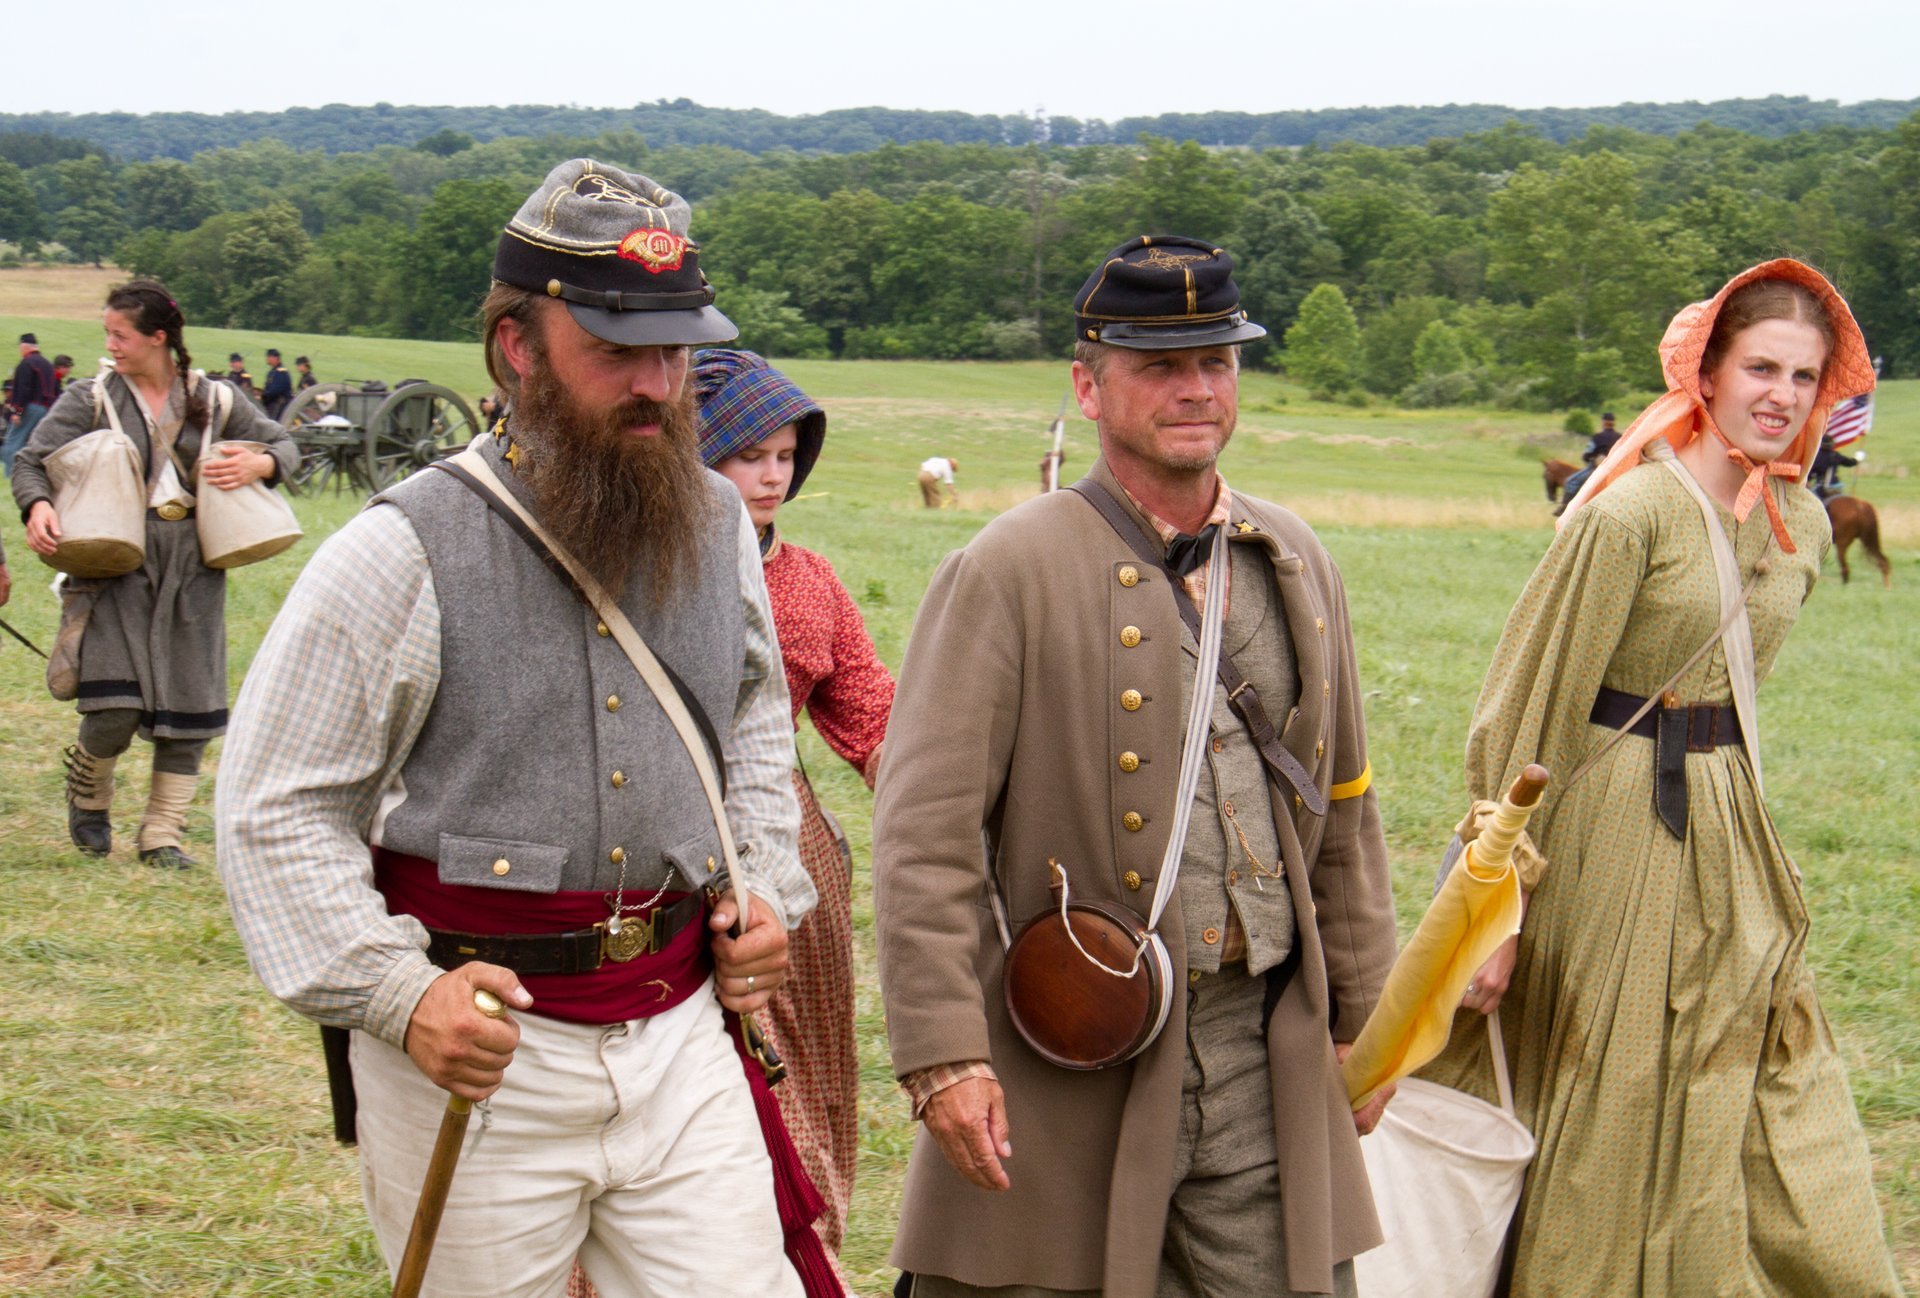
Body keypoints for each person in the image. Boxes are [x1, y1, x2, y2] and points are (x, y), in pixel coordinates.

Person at [215, 159, 814, 1298]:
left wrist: (765, 881)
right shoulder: (399, 548)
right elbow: (276, 805)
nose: (657, 383)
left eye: (677, 349)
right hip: (479, 1050)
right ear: (517, 349)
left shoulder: (722, 518)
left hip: (682, 1032)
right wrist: (401, 994)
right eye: (616, 349)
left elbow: (753, 720)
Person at [872, 235, 1398, 1298]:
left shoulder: (1293, 558)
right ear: (1089, 383)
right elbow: (923, 832)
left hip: (1263, 1044)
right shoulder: (1007, 567)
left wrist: (1365, 1010)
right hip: (1077, 1042)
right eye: (1161, 365)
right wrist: (942, 1049)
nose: (1197, 388)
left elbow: (1343, 807)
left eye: (1218, 361)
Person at [1428, 260, 1902, 1296]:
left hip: (1728, 818)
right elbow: (1524, 706)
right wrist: (1495, 902)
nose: (1780, 393)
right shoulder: (1626, 513)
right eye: (1760, 367)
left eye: (1802, 374)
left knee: (1764, 1062)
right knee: (1616, 1082)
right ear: (1709, 371)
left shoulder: (1807, 524)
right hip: (1608, 818)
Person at [696, 346, 896, 1276]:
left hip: (797, 855)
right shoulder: (653, 567)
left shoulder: (811, 581)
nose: (771, 474)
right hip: (674, 854)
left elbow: (874, 719)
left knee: (802, 1076)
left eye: (784, 455)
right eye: (747, 456)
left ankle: (798, 1259)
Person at [11, 281, 298, 867]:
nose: (111, 344)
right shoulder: (92, 395)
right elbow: (31, 459)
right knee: (113, 707)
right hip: (115, 563)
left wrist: (262, 461)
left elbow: (285, 445)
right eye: (107, 334)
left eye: (121, 334)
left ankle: (161, 836)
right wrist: (37, 504)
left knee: (189, 714)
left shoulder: (213, 399)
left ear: (158, 337)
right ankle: (89, 797)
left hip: (193, 565)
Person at [4, 332, 58, 475]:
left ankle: (10, 474)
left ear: (24, 346)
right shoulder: (47, 364)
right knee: (34, 444)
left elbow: (23, 389)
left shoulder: (26, 363)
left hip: (31, 407)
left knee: (13, 440)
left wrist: (17, 411)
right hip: (46, 409)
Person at [1552, 410, 1620, 515]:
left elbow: (1586, 455)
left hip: (1597, 469)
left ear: (1603, 422)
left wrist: (1589, 459)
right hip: (1617, 469)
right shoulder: (1620, 437)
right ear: (1613, 423)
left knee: (1570, 482)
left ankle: (1564, 508)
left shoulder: (1598, 437)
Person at [1808, 431, 1858, 500]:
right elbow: (1850, 463)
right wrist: (1857, 459)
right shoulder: (1835, 455)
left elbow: (1810, 474)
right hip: (1836, 486)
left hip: (1821, 487)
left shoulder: (1816, 457)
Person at [259, 347, 293, 419]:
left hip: (279, 405)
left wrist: (264, 396)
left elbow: (275, 391)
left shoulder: (282, 372)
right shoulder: (272, 372)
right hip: (271, 403)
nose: (267, 359)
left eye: (269, 357)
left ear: (275, 358)